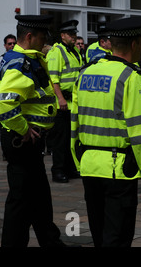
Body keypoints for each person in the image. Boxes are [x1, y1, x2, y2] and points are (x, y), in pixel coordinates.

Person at [70, 16, 141, 247]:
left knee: (98, 232)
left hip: (89, 164)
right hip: (118, 169)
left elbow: (74, 123)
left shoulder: (85, 73)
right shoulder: (133, 76)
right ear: (134, 44)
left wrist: (78, 159)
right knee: (118, 235)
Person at [0, 15, 66, 247]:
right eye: (42, 37)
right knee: (20, 200)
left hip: (29, 140)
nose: (45, 41)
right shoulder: (20, 63)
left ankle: (51, 241)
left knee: (38, 196)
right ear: (29, 36)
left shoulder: (26, 59)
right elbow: (5, 103)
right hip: (23, 140)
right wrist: (24, 129)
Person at [46, 20, 83, 183]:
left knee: (71, 138)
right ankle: (58, 170)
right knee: (60, 140)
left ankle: (69, 167)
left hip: (74, 103)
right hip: (63, 102)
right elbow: (53, 79)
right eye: (70, 34)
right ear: (62, 36)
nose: (74, 37)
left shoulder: (74, 50)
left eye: (74, 34)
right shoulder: (56, 52)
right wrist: (60, 98)